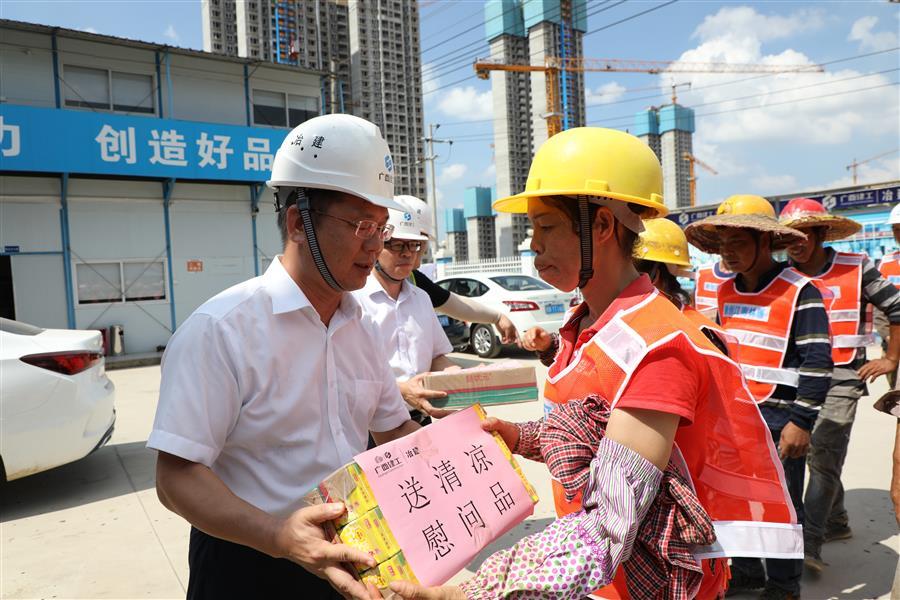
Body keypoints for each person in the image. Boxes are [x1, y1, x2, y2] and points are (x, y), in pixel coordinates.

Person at [389, 127, 799, 600]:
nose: (532, 244)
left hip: (639, 583)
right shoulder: (588, 324)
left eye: (545, 227)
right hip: (593, 581)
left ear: (601, 226)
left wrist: (474, 594)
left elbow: (607, 528)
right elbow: (594, 432)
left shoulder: (656, 347)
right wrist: (521, 437)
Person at [147, 114, 421, 600]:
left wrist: (467, 454)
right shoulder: (221, 331)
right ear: (298, 222)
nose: (376, 243)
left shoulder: (360, 326)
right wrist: (279, 537)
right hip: (248, 562)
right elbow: (176, 478)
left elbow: (393, 429)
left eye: (381, 226)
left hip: (355, 553)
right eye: (361, 224)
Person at [685, 195, 834, 600]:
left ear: (765, 243)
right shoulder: (725, 291)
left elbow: (818, 361)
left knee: (784, 507)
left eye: (738, 242)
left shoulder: (801, 291)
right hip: (736, 418)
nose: (728, 253)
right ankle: (748, 572)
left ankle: (784, 586)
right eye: (724, 245)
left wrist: (801, 422)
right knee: (738, 500)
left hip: (782, 419)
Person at [778, 197, 900, 572]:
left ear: (819, 233)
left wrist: (891, 359)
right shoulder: (782, 275)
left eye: (802, 234)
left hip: (844, 376)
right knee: (813, 453)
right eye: (788, 236)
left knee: (824, 452)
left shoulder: (856, 267)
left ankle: (810, 544)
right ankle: (837, 520)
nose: (795, 242)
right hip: (797, 380)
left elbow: (896, 308)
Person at [353, 203, 458, 426]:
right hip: (372, 427)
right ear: (377, 244)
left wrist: (459, 376)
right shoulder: (353, 300)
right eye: (398, 245)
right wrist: (401, 390)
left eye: (414, 246)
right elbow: (348, 374)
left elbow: (436, 357)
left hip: (420, 418)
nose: (408, 253)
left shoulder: (421, 298)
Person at [396, 194, 519, 345]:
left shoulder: (412, 281)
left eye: (416, 245)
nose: (411, 252)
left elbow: (453, 303)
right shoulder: (363, 290)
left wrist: (497, 317)